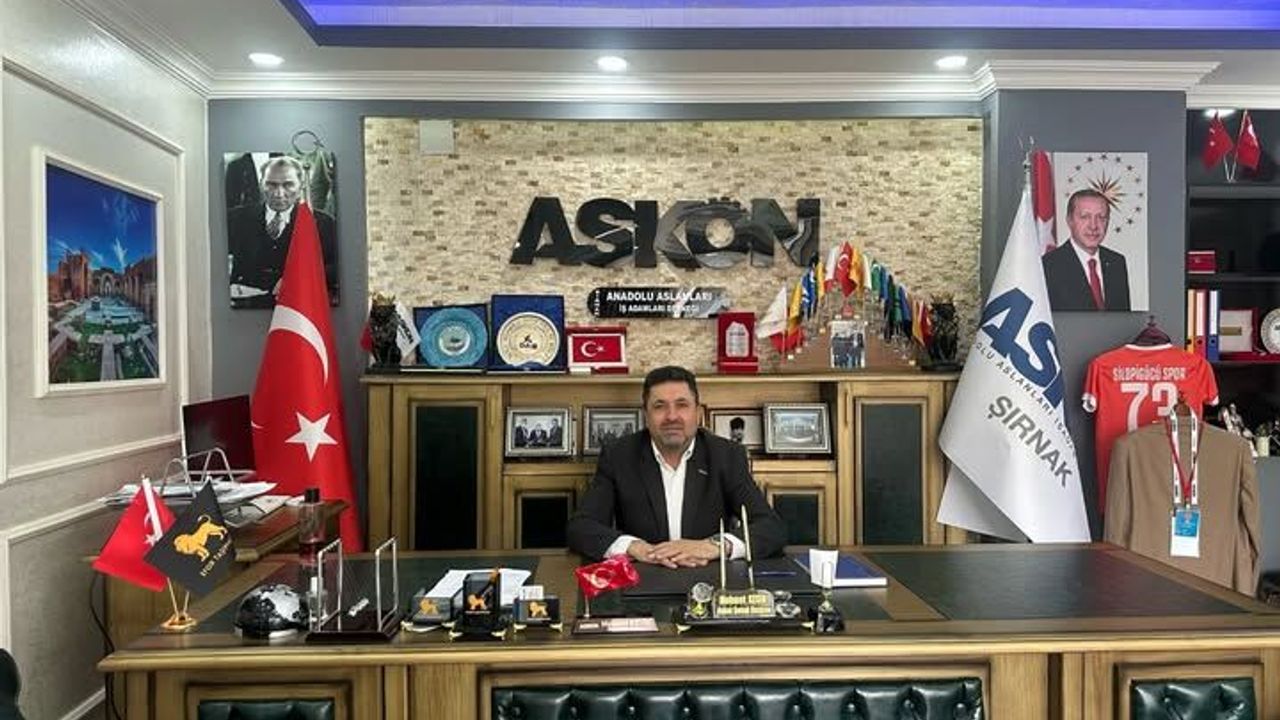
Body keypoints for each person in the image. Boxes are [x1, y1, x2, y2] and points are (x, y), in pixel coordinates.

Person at [567, 366, 785, 566]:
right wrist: (634, 547)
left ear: (698, 413)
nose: (671, 416)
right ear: (646, 415)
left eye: (682, 405)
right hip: (644, 575)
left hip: (708, 576)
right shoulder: (619, 455)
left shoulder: (726, 455)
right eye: (659, 406)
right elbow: (581, 527)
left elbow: (771, 527)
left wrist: (713, 546)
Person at [227, 155, 339, 309]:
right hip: (244, 308)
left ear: (300, 187)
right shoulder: (236, 219)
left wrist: (297, 278)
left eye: (288, 185)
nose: (279, 193)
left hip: (298, 309)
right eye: (271, 185)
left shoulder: (322, 223)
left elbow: (338, 268)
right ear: (261, 184)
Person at [1042, 189, 1131, 311]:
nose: (1093, 226)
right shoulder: (1049, 266)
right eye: (1085, 217)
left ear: (1108, 221)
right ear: (1069, 220)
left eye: (1101, 217)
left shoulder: (1116, 262)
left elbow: (1123, 318)